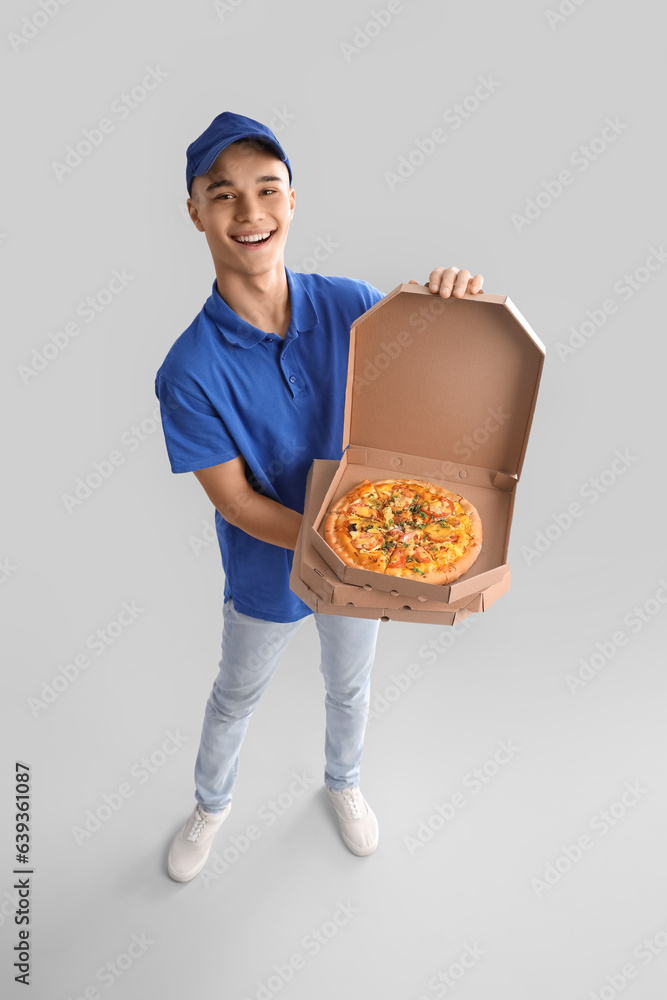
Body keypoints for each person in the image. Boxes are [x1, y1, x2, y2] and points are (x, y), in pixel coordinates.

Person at [154, 111, 484, 882]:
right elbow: (234, 502)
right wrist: (350, 544)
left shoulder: (350, 301)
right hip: (269, 573)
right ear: (196, 210)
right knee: (235, 696)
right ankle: (211, 804)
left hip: (368, 569)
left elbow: (431, 380)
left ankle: (343, 785)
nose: (250, 213)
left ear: (293, 201)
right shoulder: (189, 370)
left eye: (267, 190)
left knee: (350, 686)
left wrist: (454, 302)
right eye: (224, 194)